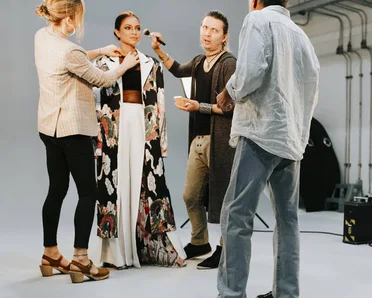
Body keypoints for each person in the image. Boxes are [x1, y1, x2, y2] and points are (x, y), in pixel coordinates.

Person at [198, 0, 320, 298]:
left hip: (261, 131)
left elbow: (251, 71)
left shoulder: (258, 20)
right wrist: (299, 134)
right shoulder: (300, 35)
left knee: (237, 213)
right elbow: (311, 87)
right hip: (290, 138)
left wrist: (229, 91)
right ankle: (285, 294)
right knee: (287, 218)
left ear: (255, 0)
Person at [35, 0, 139, 283]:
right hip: (73, 130)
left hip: (49, 128)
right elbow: (102, 79)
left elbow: (74, 59)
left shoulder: (42, 37)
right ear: (68, 18)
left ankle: (50, 253)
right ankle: (81, 260)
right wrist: (125, 64)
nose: (79, 23)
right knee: (87, 193)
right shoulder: (70, 51)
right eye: (78, 18)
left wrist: (101, 51)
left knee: (56, 190)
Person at [94, 11, 185, 269]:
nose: (134, 32)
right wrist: (97, 140)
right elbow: (94, 100)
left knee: (147, 183)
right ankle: (114, 254)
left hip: (144, 127)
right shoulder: (103, 63)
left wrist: (161, 141)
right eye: (128, 28)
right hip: (114, 128)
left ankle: (149, 248)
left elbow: (160, 104)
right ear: (117, 32)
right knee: (115, 184)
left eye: (137, 28)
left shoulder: (151, 64)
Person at [151, 11, 237, 268]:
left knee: (224, 200)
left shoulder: (228, 63)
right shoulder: (200, 61)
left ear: (224, 37)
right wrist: (158, 50)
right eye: (204, 27)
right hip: (198, 140)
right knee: (190, 196)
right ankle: (200, 241)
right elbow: (177, 69)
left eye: (213, 30)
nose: (207, 33)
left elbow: (231, 108)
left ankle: (225, 248)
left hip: (220, 142)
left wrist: (198, 106)